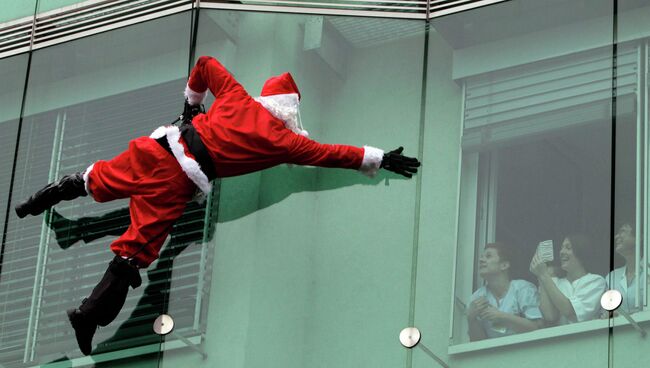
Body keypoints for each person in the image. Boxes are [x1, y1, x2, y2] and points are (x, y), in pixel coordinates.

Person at [14, 55, 421, 355]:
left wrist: (191, 106)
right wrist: (380, 157)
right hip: (178, 181)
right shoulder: (285, 141)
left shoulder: (238, 97)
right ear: (289, 113)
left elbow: (205, 62)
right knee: (135, 251)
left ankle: (35, 203)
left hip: (159, 149)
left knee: (94, 179)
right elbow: (332, 153)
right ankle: (87, 316)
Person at [467, 243, 543, 341]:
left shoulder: (523, 289)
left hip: (524, 352)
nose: (481, 260)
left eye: (488, 256)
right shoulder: (476, 298)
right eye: (481, 257)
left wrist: (502, 316)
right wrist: (471, 318)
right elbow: (477, 343)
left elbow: (537, 328)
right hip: (495, 355)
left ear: (504, 265)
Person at [530, 234, 606, 325]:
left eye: (568, 248)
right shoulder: (553, 281)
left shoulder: (595, 281)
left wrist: (544, 274)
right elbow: (550, 316)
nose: (562, 252)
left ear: (581, 253)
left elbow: (570, 311)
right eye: (561, 248)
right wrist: (541, 276)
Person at [604, 222, 646, 314]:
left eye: (622, 231)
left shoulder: (648, 271)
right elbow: (606, 313)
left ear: (639, 237)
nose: (616, 237)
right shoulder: (612, 277)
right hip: (621, 329)